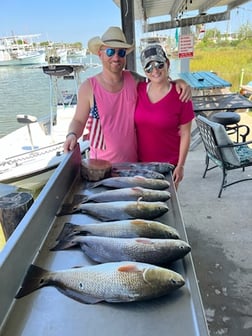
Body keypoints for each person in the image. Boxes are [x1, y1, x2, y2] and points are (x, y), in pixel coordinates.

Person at [63, 26, 191, 163]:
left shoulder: (134, 80)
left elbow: (157, 78)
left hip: (134, 166)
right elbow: (78, 120)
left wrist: (178, 81)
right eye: (110, 51)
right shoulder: (88, 87)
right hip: (101, 167)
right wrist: (72, 135)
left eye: (121, 53)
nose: (116, 57)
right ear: (100, 54)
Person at [135, 44, 195, 189]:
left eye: (159, 64)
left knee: (167, 207)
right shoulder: (138, 89)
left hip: (169, 166)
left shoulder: (181, 95)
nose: (154, 70)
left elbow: (186, 134)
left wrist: (180, 166)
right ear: (144, 70)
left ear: (167, 63)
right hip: (140, 166)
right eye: (148, 67)